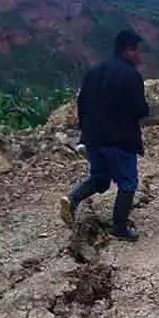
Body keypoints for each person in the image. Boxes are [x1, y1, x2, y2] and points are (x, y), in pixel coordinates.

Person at [59, 30, 151, 242]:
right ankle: (119, 227)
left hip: (93, 137)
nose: (140, 56)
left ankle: (71, 199)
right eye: (138, 51)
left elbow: (81, 104)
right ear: (128, 50)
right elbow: (138, 109)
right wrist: (144, 112)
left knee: (100, 179)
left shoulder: (93, 72)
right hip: (119, 140)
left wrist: (86, 131)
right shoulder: (131, 75)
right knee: (128, 182)